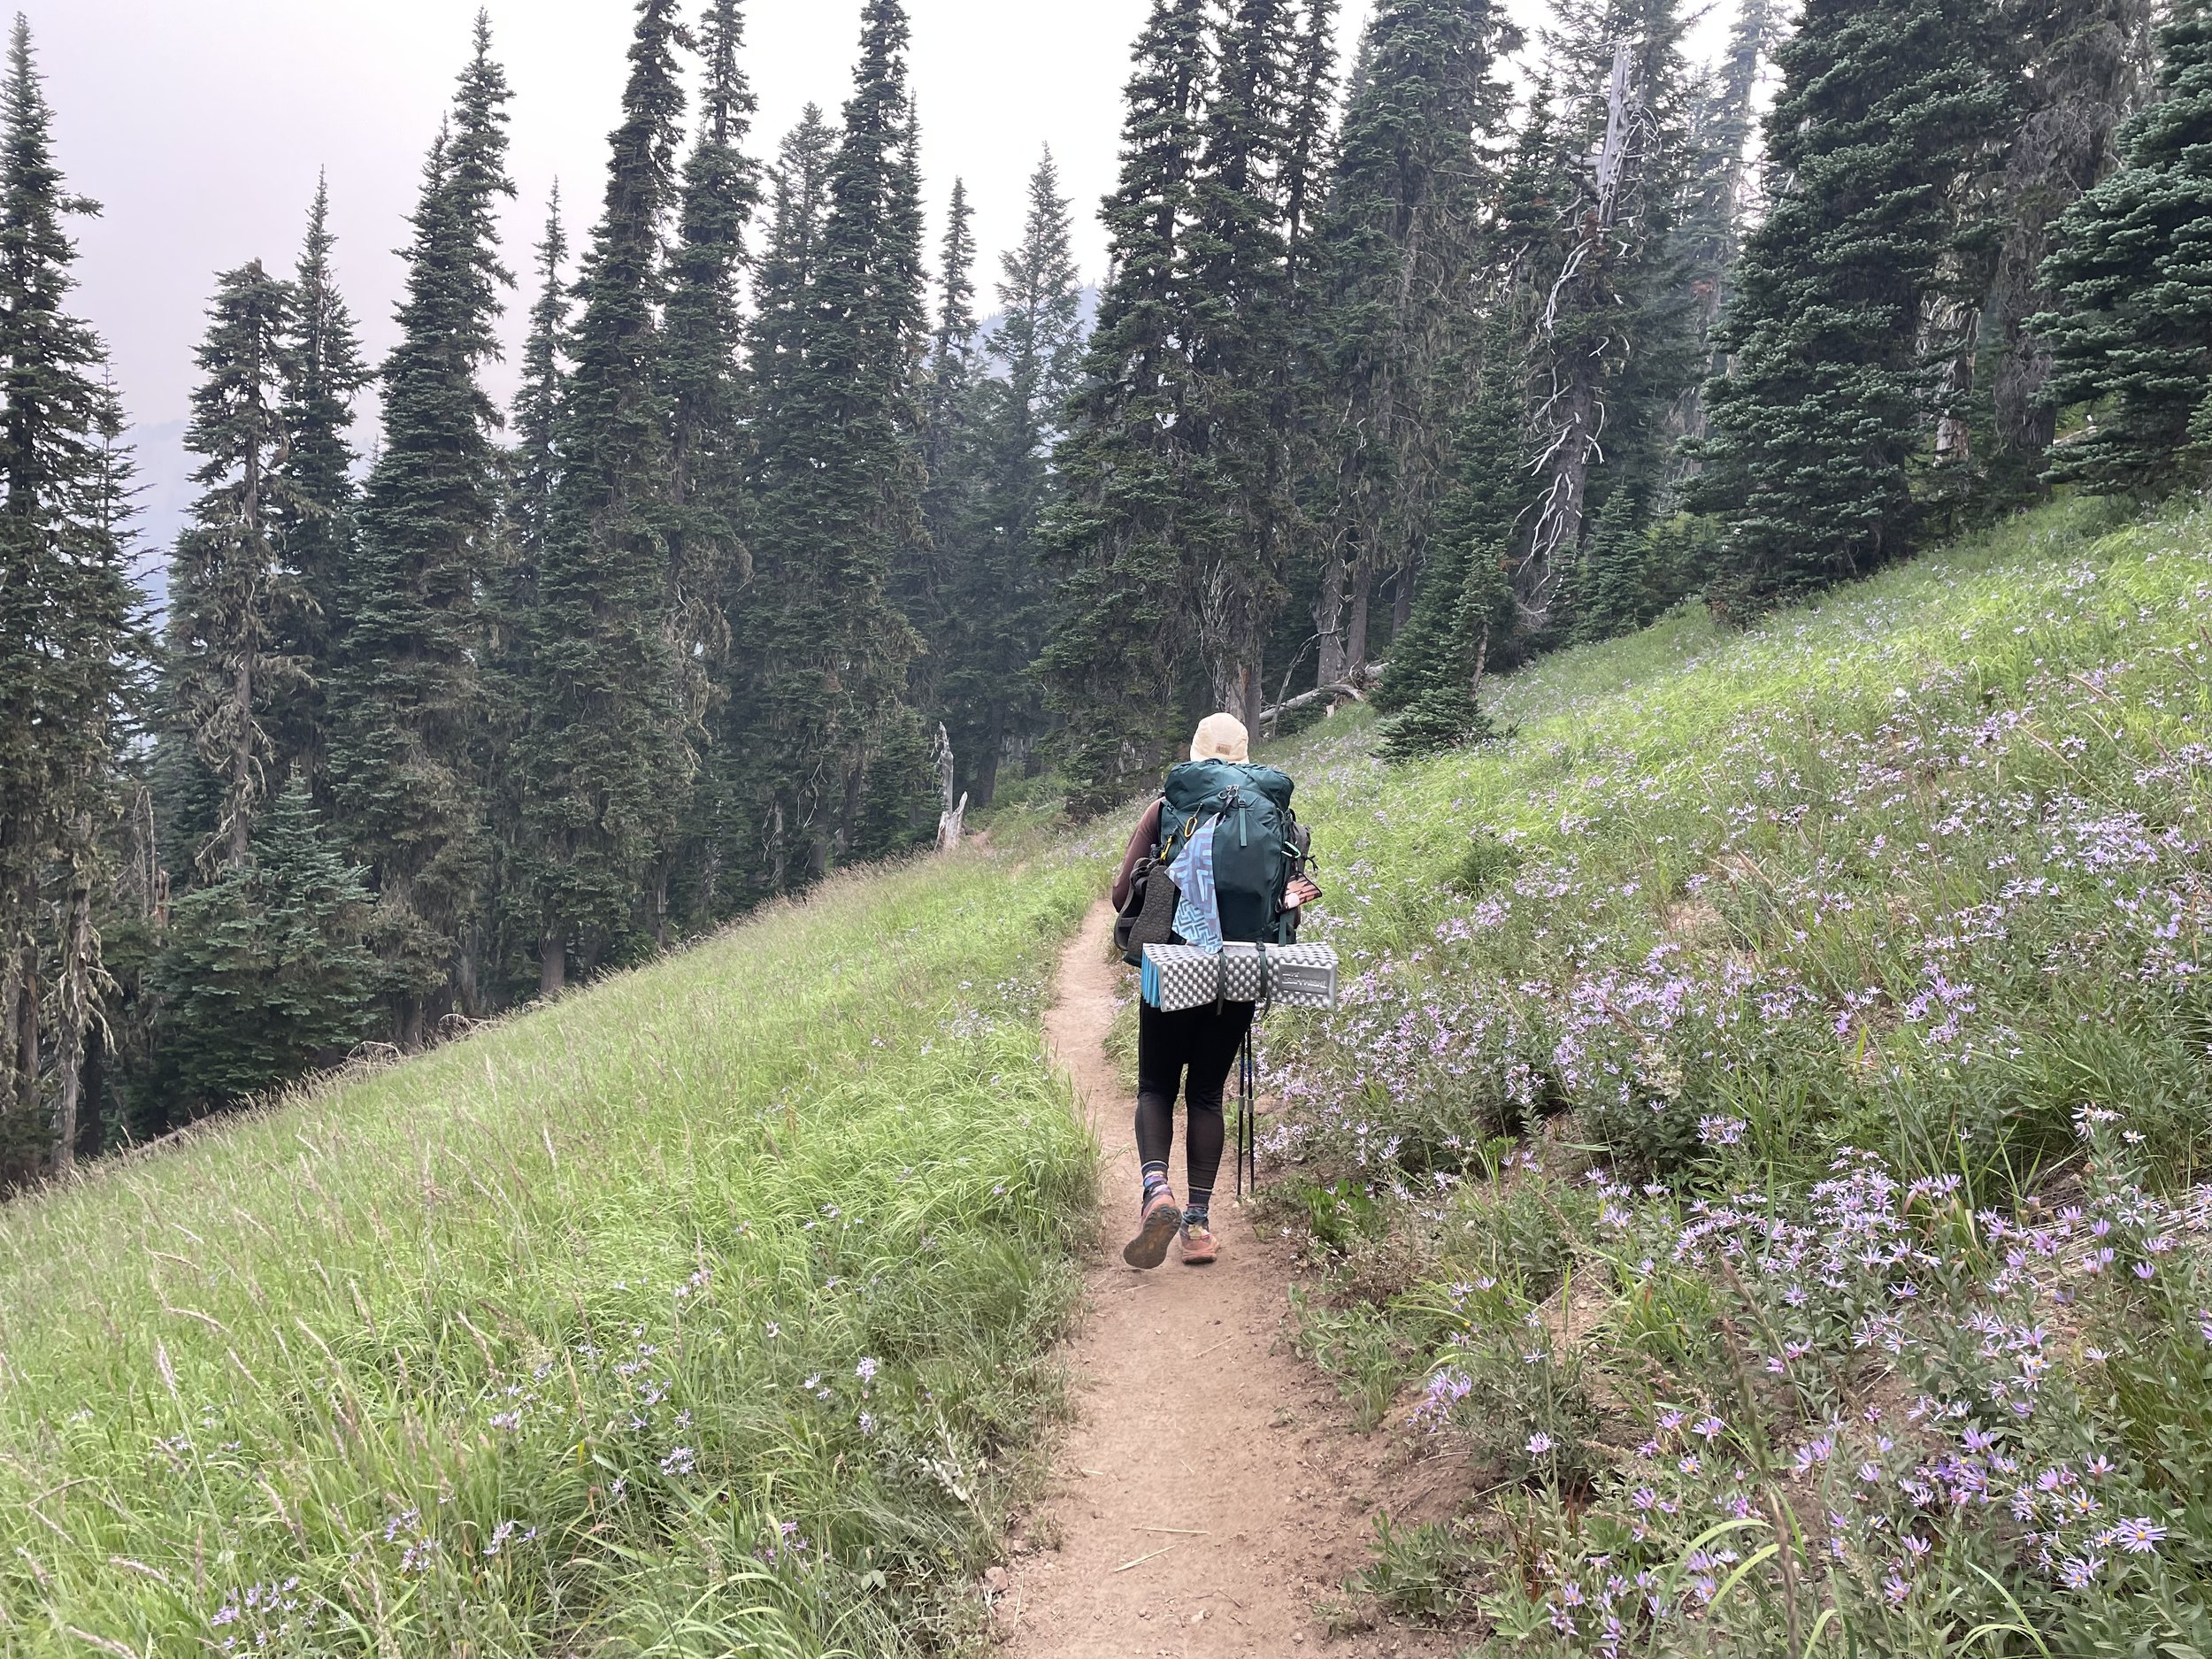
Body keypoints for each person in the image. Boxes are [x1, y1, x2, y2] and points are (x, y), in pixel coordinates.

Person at [1109, 712, 1319, 1269]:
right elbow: (1286, 902)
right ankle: (1198, 1228)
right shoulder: (1276, 813)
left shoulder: (1168, 808)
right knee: (1205, 1093)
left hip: (1176, 963)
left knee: (1156, 1086)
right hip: (1241, 970)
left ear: (1197, 753)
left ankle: (1158, 1192)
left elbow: (1118, 895)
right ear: (1245, 757)